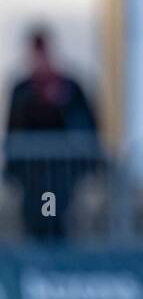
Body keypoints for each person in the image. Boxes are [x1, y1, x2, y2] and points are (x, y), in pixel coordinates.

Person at [3, 27, 102, 242]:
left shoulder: (71, 88)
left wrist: (60, 104)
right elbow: (14, 132)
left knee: (60, 221)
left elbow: (87, 129)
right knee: (34, 223)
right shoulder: (22, 90)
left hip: (64, 178)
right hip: (31, 180)